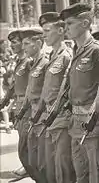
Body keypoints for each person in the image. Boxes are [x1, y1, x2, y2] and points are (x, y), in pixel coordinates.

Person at [60, 3, 99, 183]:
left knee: (97, 174)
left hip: (93, 122)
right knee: (81, 174)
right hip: (76, 122)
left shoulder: (98, 49)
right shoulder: (76, 51)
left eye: (70, 23)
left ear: (84, 23)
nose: (65, 29)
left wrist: (96, 116)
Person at [32, 11, 75, 183]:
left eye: (48, 30)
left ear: (60, 30)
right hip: (49, 116)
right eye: (43, 31)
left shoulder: (67, 55)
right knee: (51, 165)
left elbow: (70, 88)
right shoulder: (52, 56)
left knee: (63, 165)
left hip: (62, 116)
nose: (44, 35)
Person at [0, 29, 34, 180]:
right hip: (19, 103)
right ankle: (27, 167)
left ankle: (31, 169)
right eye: (10, 42)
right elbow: (14, 85)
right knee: (22, 138)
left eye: (15, 42)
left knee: (27, 140)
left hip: (27, 104)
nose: (11, 45)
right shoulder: (19, 61)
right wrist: (6, 100)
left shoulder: (29, 61)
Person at [17, 28, 48, 183]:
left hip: (42, 114)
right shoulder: (33, 63)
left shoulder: (46, 61)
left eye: (27, 43)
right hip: (32, 111)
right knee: (27, 153)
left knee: (41, 158)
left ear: (38, 43)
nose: (24, 47)